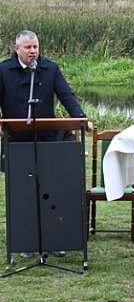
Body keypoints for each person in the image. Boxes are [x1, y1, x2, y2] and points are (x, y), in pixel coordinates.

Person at [0, 30, 93, 258]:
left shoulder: (50, 68)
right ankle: (26, 241)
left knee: (51, 189)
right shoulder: (3, 70)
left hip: (47, 139)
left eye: (36, 47)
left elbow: (67, 95)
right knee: (24, 192)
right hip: (17, 140)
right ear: (16, 49)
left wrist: (81, 118)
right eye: (28, 48)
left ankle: (54, 239)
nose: (33, 52)